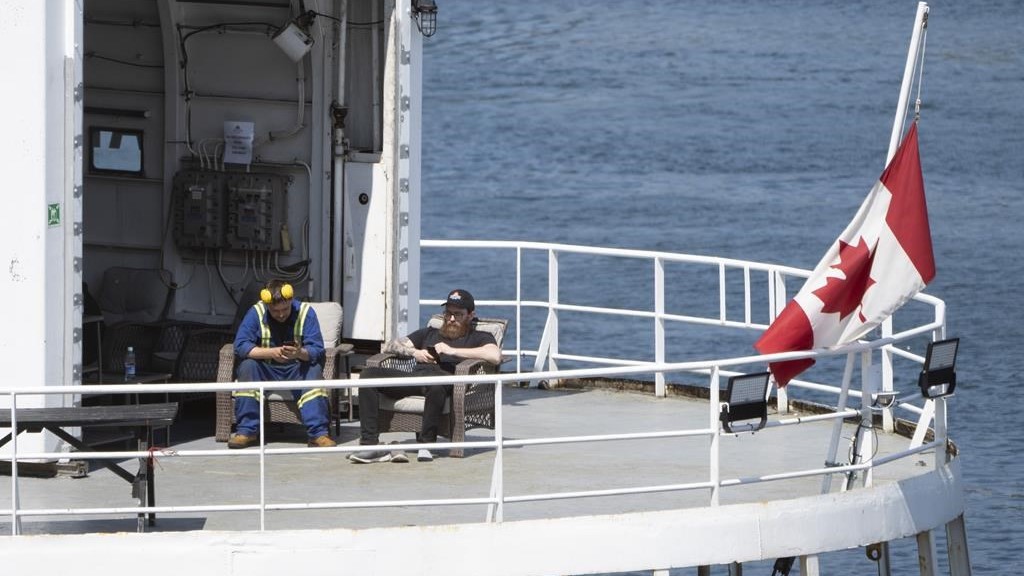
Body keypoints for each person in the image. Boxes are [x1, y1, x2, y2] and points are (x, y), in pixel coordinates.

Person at [350, 288, 501, 463]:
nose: (451, 319)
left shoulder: (479, 336)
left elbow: (495, 356)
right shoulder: (429, 333)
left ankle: (427, 443)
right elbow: (390, 346)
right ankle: (370, 445)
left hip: (445, 381)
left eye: (458, 315)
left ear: (470, 315)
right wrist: (415, 353)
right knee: (369, 375)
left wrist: (452, 350)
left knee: (436, 385)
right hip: (416, 379)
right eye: (448, 313)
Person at [227, 279, 337, 449]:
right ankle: (247, 431)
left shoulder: (306, 312)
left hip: (297, 367)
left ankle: (318, 434)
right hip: (265, 368)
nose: (280, 314)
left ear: (291, 300)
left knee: (314, 371)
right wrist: (270, 353)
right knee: (248, 366)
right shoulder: (256, 312)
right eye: (274, 310)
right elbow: (240, 346)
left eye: (285, 309)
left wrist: (299, 353)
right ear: (266, 304)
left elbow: (317, 350)